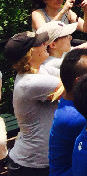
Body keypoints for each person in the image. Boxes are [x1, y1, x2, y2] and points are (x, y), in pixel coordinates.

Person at [3, 30, 61, 175]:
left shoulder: (37, 71)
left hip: (36, 162)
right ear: (29, 54)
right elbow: (76, 87)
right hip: (31, 166)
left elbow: (71, 70)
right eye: (39, 44)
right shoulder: (30, 82)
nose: (45, 44)